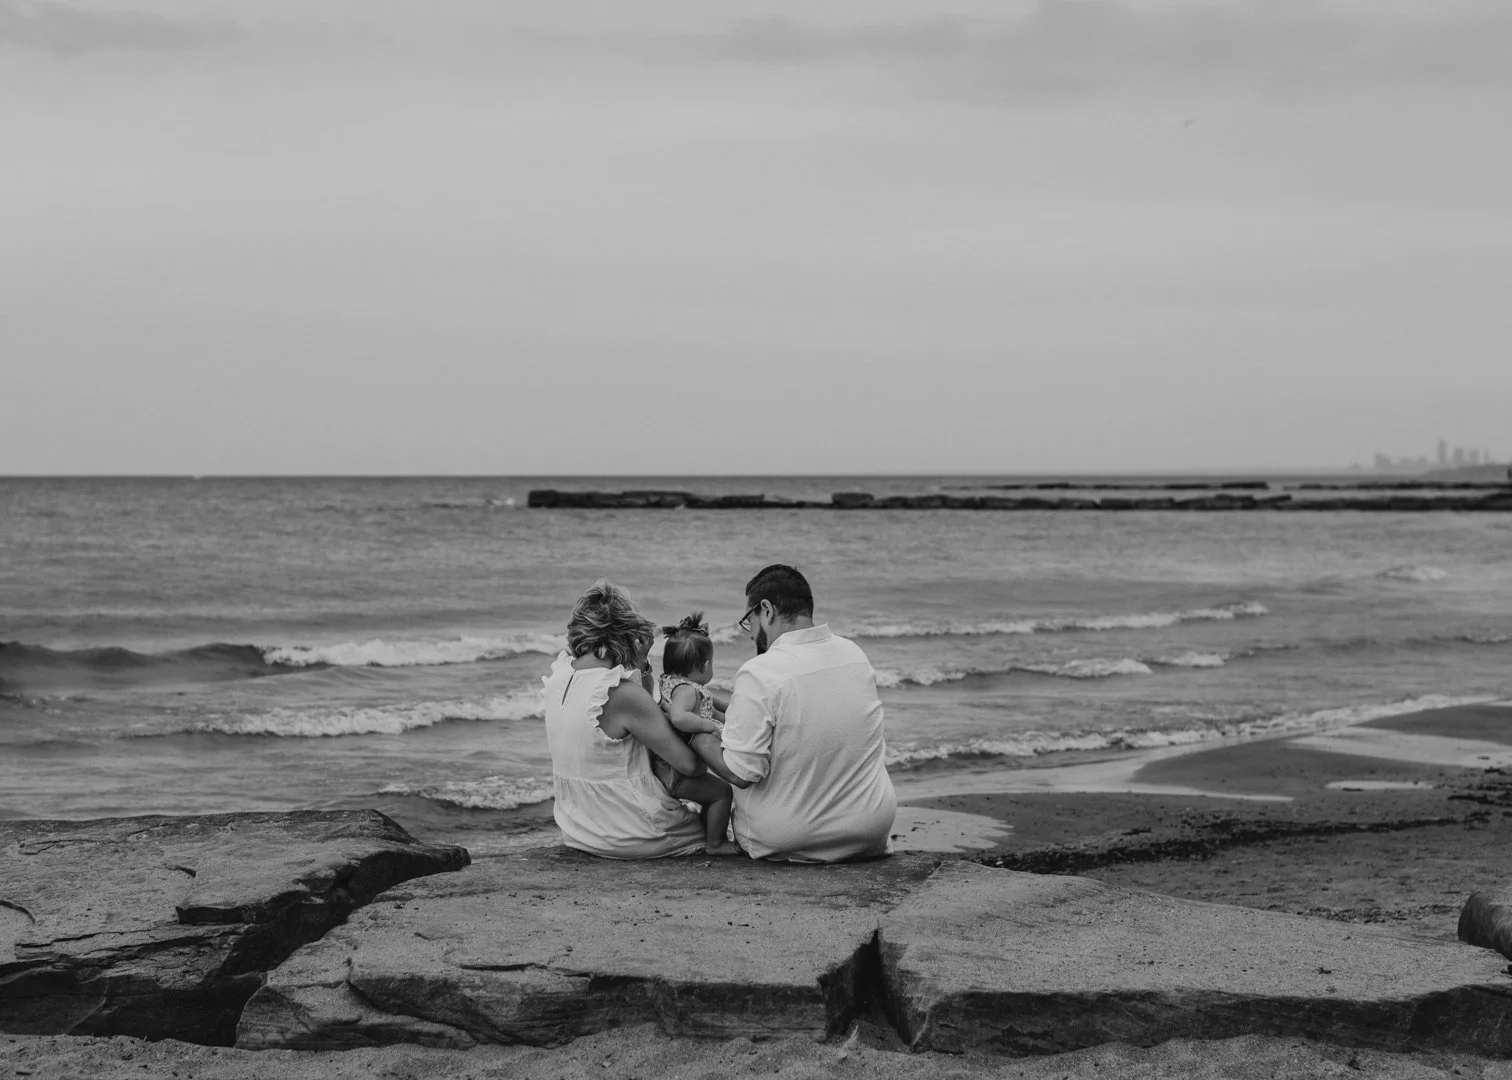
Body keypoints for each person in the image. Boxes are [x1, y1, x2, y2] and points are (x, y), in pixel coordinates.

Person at [686, 564, 896, 862]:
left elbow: (741, 771)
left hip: (789, 838)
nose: (750, 634)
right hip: (870, 831)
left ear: (766, 610)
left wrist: (693, 731)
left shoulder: (760, 671)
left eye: (750, 620)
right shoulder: (855, 655)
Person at [542, 580, 710, 859]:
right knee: (717, 817)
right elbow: (690, 766)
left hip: (578, 830)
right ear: (626, 634)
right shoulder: (619, 692)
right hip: (632, 832)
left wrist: (641, 664)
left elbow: (636, 725)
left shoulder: (557, 678)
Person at [649, 613, 737, 855]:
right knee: (722, 792)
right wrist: (706, 726)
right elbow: (679, 717)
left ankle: (709, 832)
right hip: (676, 775)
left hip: (671, 769)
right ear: (706, 665)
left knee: (715, 793)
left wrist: (732, 715)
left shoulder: (678, 685)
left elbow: (716, 706)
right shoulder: (687, 692)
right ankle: (715, 843)